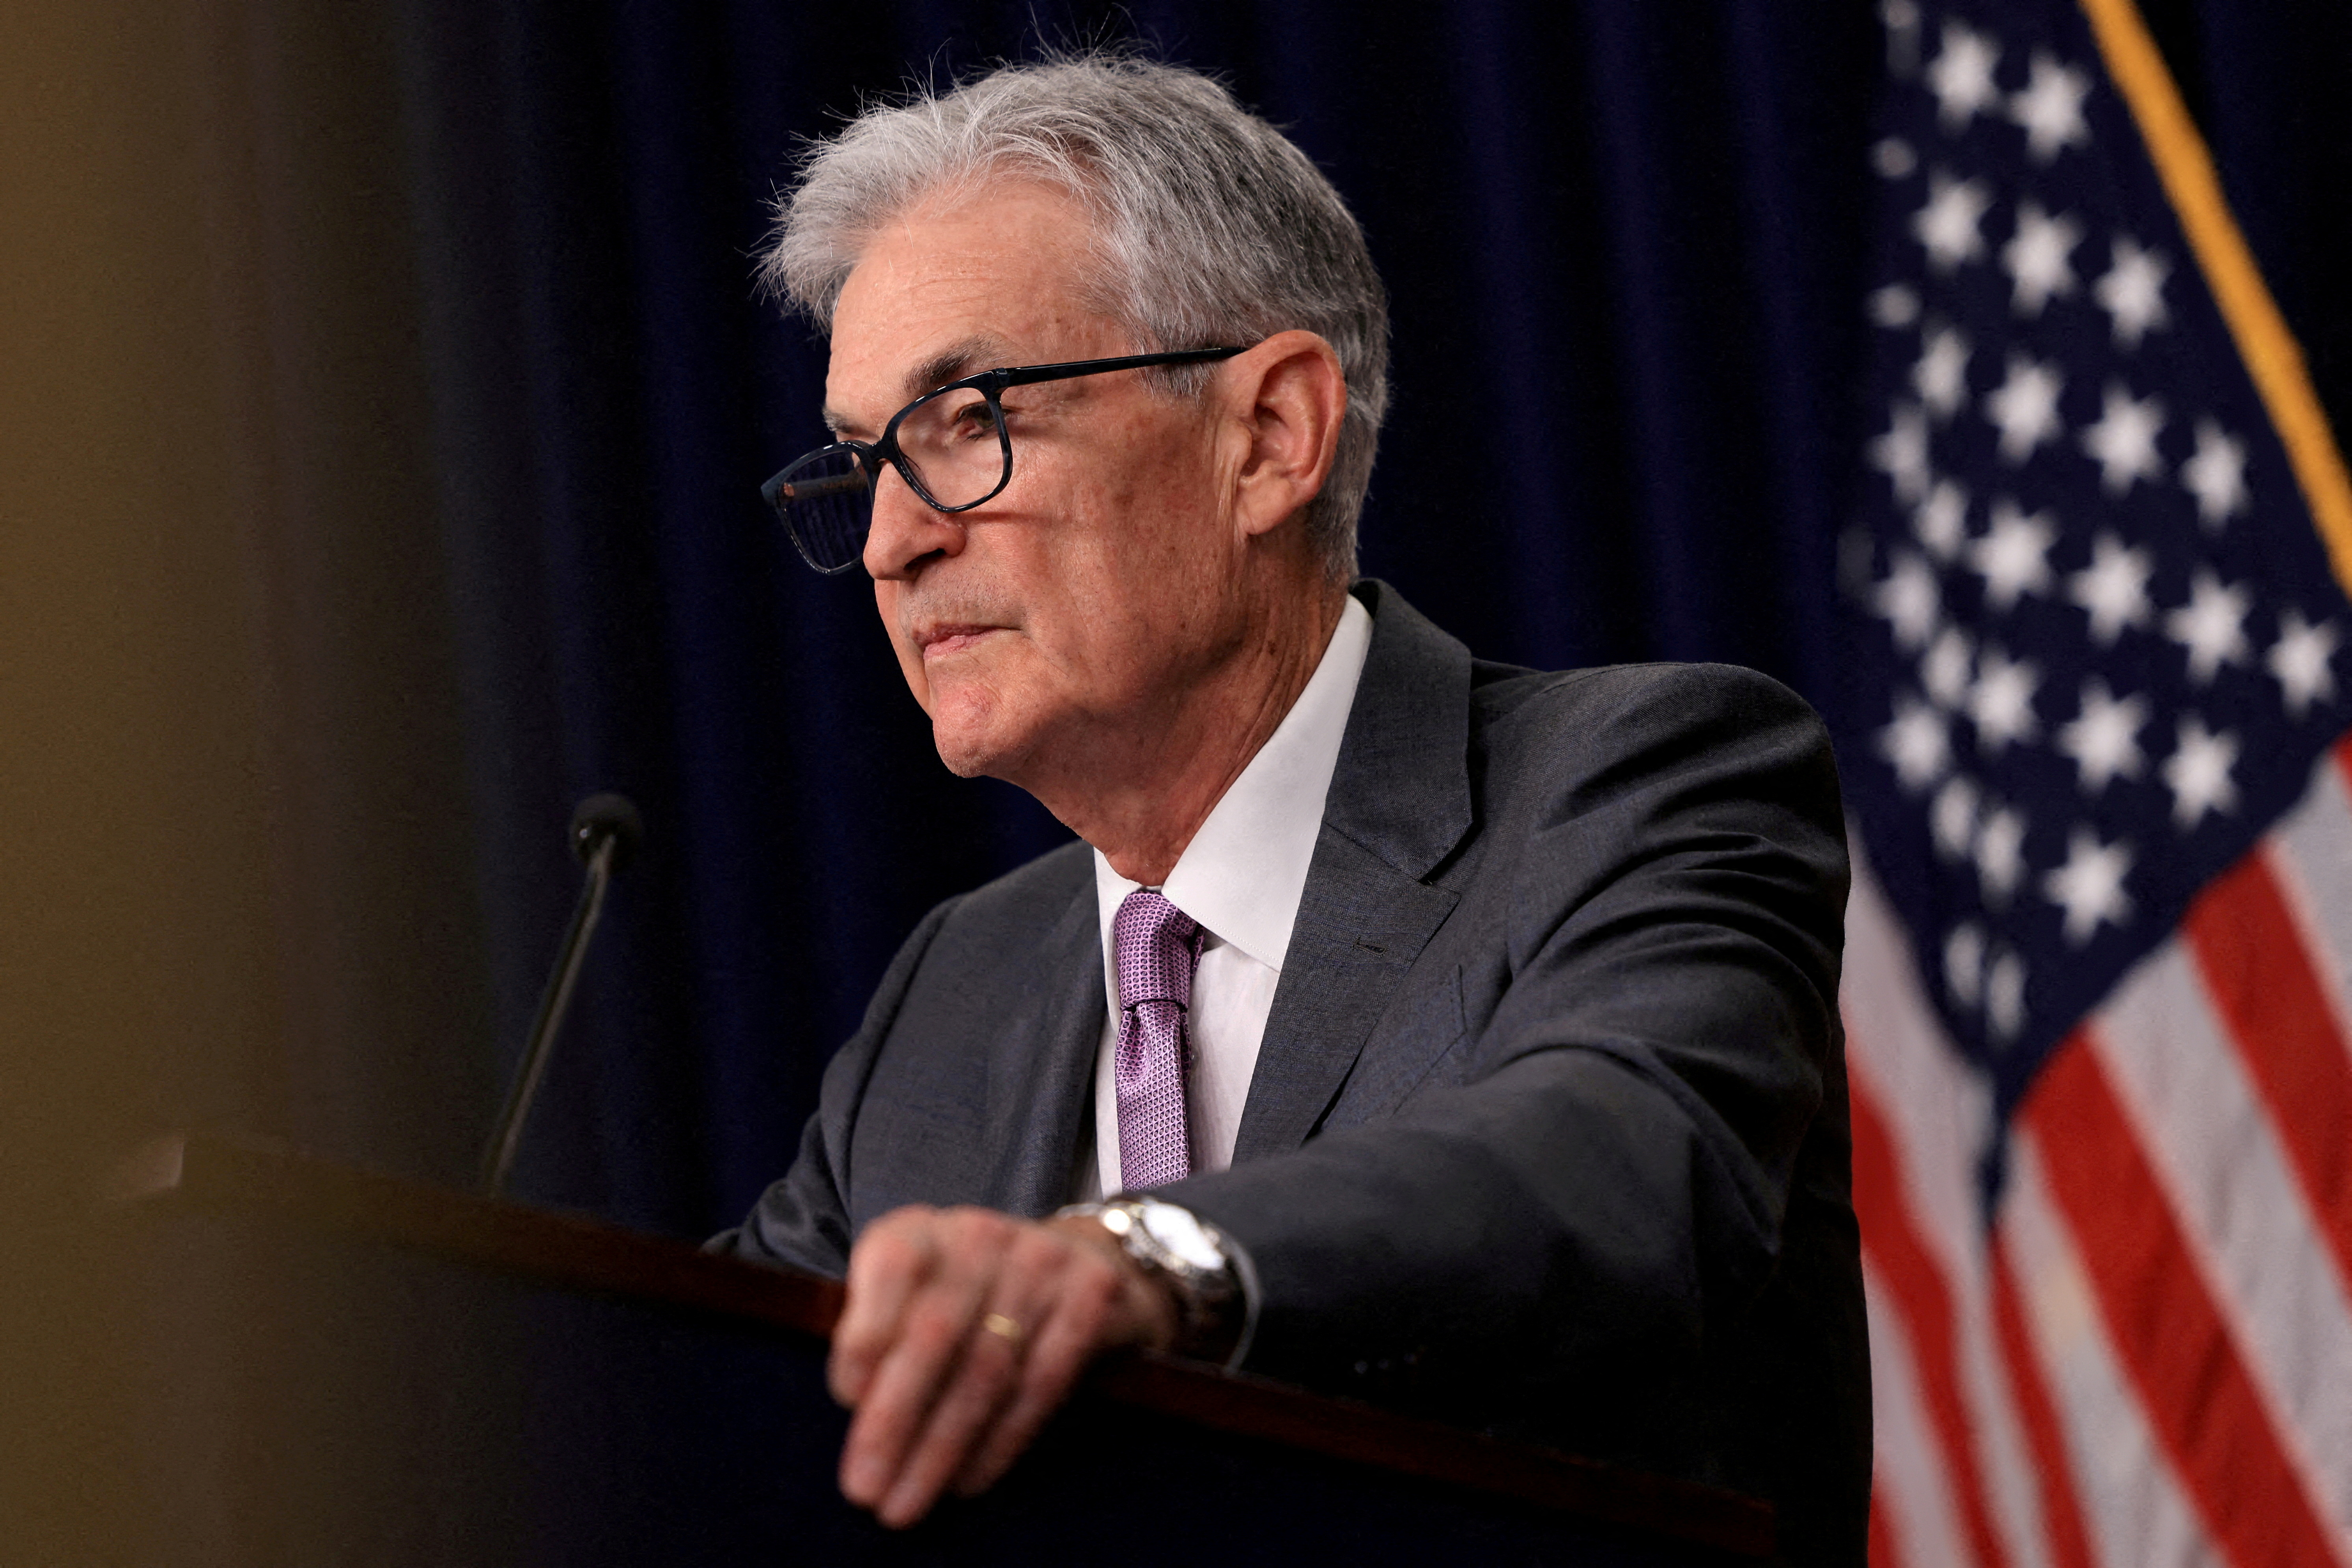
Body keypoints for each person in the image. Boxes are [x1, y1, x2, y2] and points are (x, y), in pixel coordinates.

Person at [715, 52, 1868, 1564]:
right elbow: (711, 1400)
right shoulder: (956, 990)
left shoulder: (1644, 784)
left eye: (966, 421)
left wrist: (1151, 1259)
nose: (888, 543)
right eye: (866, 462)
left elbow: (1621, 1163)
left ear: (1268, 435)